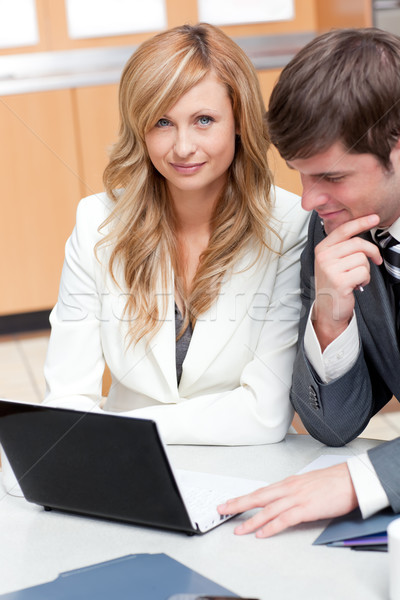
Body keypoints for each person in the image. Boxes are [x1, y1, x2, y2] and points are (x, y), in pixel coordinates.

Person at [42, 23, 308, 446]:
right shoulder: (97, 220)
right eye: (163, 122)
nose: (182, 147)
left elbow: (264, 412)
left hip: (241, 465)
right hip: (129, 467)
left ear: (239, 121)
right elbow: (68, 395)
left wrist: (123, 430)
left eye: (204, 120)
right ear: (140, 127)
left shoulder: (292, 224)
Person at [218, 27, 400, 534]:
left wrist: (363, 481)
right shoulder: (330, 231)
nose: (307, 200)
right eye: (301, 174)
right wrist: (330, 316)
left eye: (332, 177)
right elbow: (332, 426)